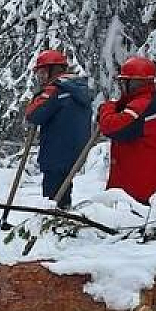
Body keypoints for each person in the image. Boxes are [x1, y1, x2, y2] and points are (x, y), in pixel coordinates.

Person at [97, 56, 156, 203]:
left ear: (133, 83)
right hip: (149, 183)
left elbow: (112, 127)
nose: (121, 86)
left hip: (141, 189)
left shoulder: (143, 105)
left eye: (123, 81)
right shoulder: (151, 100)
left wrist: (107, 108)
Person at [23, 49, 93, 209]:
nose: (40, 77)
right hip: (75, 150)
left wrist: (37, 98)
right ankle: (63, 218)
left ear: (53, 70)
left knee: (52, 197)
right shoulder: (78, 88)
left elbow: (34, 114)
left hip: (56, 151)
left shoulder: (56, 89)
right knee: (64, 192)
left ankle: (52, 223)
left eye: (42, 72)